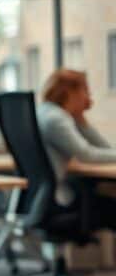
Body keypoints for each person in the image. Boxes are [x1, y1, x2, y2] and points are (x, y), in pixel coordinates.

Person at [37, 68, 116, 226]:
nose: (89, 97)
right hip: (59, 198)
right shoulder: (57, 119)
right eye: (86, 91)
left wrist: (81, 120)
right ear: (71, 92)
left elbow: (104, 148)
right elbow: (86, 155)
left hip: (42, 196)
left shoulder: (46, 112)